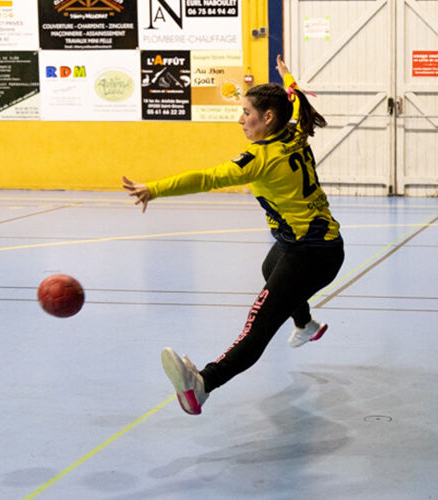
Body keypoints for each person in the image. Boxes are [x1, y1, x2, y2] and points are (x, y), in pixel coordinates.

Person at [122, 55, 344, 415]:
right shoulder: (295, 129)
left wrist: (155, 188)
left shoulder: (259, 158)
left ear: (267, 117)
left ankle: (203, 385)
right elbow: (296, 96)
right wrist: (287, 75)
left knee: (257, 327)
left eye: (246, 112)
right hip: (315, 245)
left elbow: (206, 178)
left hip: (311, 255)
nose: (240, 119)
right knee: (270, 266)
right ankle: (305, 323)